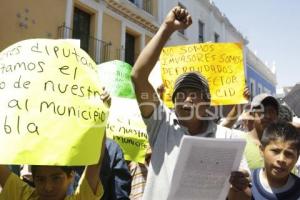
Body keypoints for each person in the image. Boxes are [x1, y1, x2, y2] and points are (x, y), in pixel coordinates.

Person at [131, 6, 250, 200]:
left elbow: (244, 197)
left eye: (194, 95)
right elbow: (138, 76)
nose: (186, 100)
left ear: (208, 104)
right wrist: (167, 28)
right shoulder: (161, 125)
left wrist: (238, 186)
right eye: (180, 95)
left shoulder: (227, 139)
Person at [0, 91, 111, 200]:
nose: (48, 187)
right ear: (32, 178)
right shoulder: (23, 195)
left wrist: (100, 111)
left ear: (71, 177)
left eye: (56, 178)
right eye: (40, 179)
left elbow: (96, 161)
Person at [249, 121, 300, 199]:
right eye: (275, 151)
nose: (281, 159)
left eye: (289, 154)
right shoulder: (246, 183)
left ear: (297, 157)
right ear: (262, 150)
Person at [242, 93, 280, 171]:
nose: (268, 116)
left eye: (272, 111)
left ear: (277, 116)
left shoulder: (283, 145)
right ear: (252, 114)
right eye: (262, 111)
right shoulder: (241, 143)